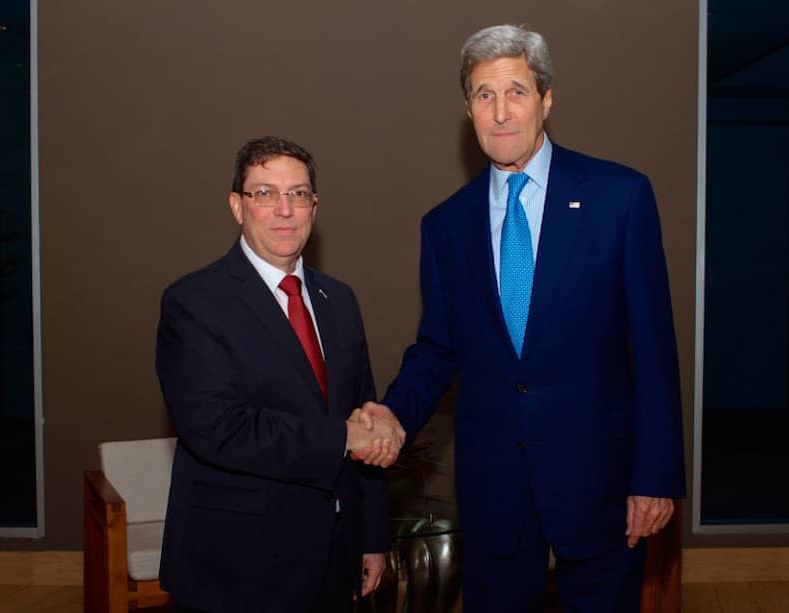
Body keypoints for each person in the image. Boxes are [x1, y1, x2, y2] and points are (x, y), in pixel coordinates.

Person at [359, 24, 686, 611]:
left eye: (516, 92)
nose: (501, 112)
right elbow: (437, 349)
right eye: (485, 95)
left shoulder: (620, 197)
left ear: (547, 99)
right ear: (468, 109)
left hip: (601, 484)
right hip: (495, 492)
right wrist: (391, 412)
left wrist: (655, 476)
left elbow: (653, 350)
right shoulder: (445, 226)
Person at [155, 136, 401, 612]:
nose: (284, 210)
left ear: (314, 206)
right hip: (237, 566)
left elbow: (362, 413)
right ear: (236, 206)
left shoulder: (340, 301)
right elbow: (218, 429)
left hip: (333, 559)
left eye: (298, 194)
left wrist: (370, 537)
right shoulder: (193, 303)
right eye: (265, 193)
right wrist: (341, 439)